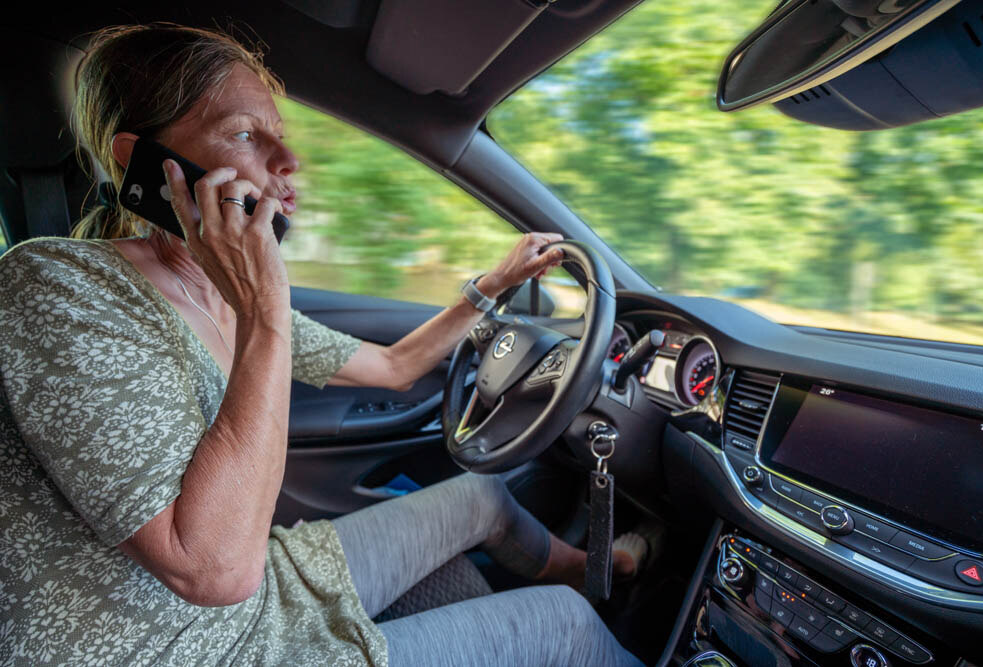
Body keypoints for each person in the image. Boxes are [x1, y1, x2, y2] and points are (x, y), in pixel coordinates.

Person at [0, 23, 646, 666]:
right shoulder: (56, 287)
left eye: (280, 135)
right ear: (139, 161)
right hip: (176, 648)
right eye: (246, 134)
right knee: (563, 627)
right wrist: (265, 311)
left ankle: (581, 567)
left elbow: (396, 366)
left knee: (481, 494)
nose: (288, 161)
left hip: (256, 599)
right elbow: (211, 570)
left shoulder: (225, 293)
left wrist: (494, 285)